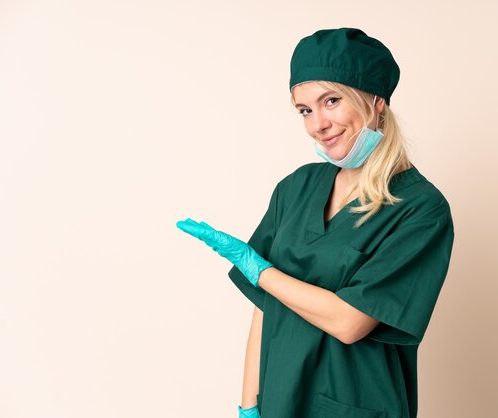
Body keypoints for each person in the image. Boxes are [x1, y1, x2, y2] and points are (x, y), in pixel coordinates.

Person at [177, 27, 455, 418]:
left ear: (376, 102)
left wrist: (257, 268)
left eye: (331, 100)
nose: (317, 125)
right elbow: (264, 306)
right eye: (305, 110)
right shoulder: (296, 188)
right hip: (278, 399)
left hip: (356, 404)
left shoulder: (419, 208)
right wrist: (248, 404)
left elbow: (348, 322)